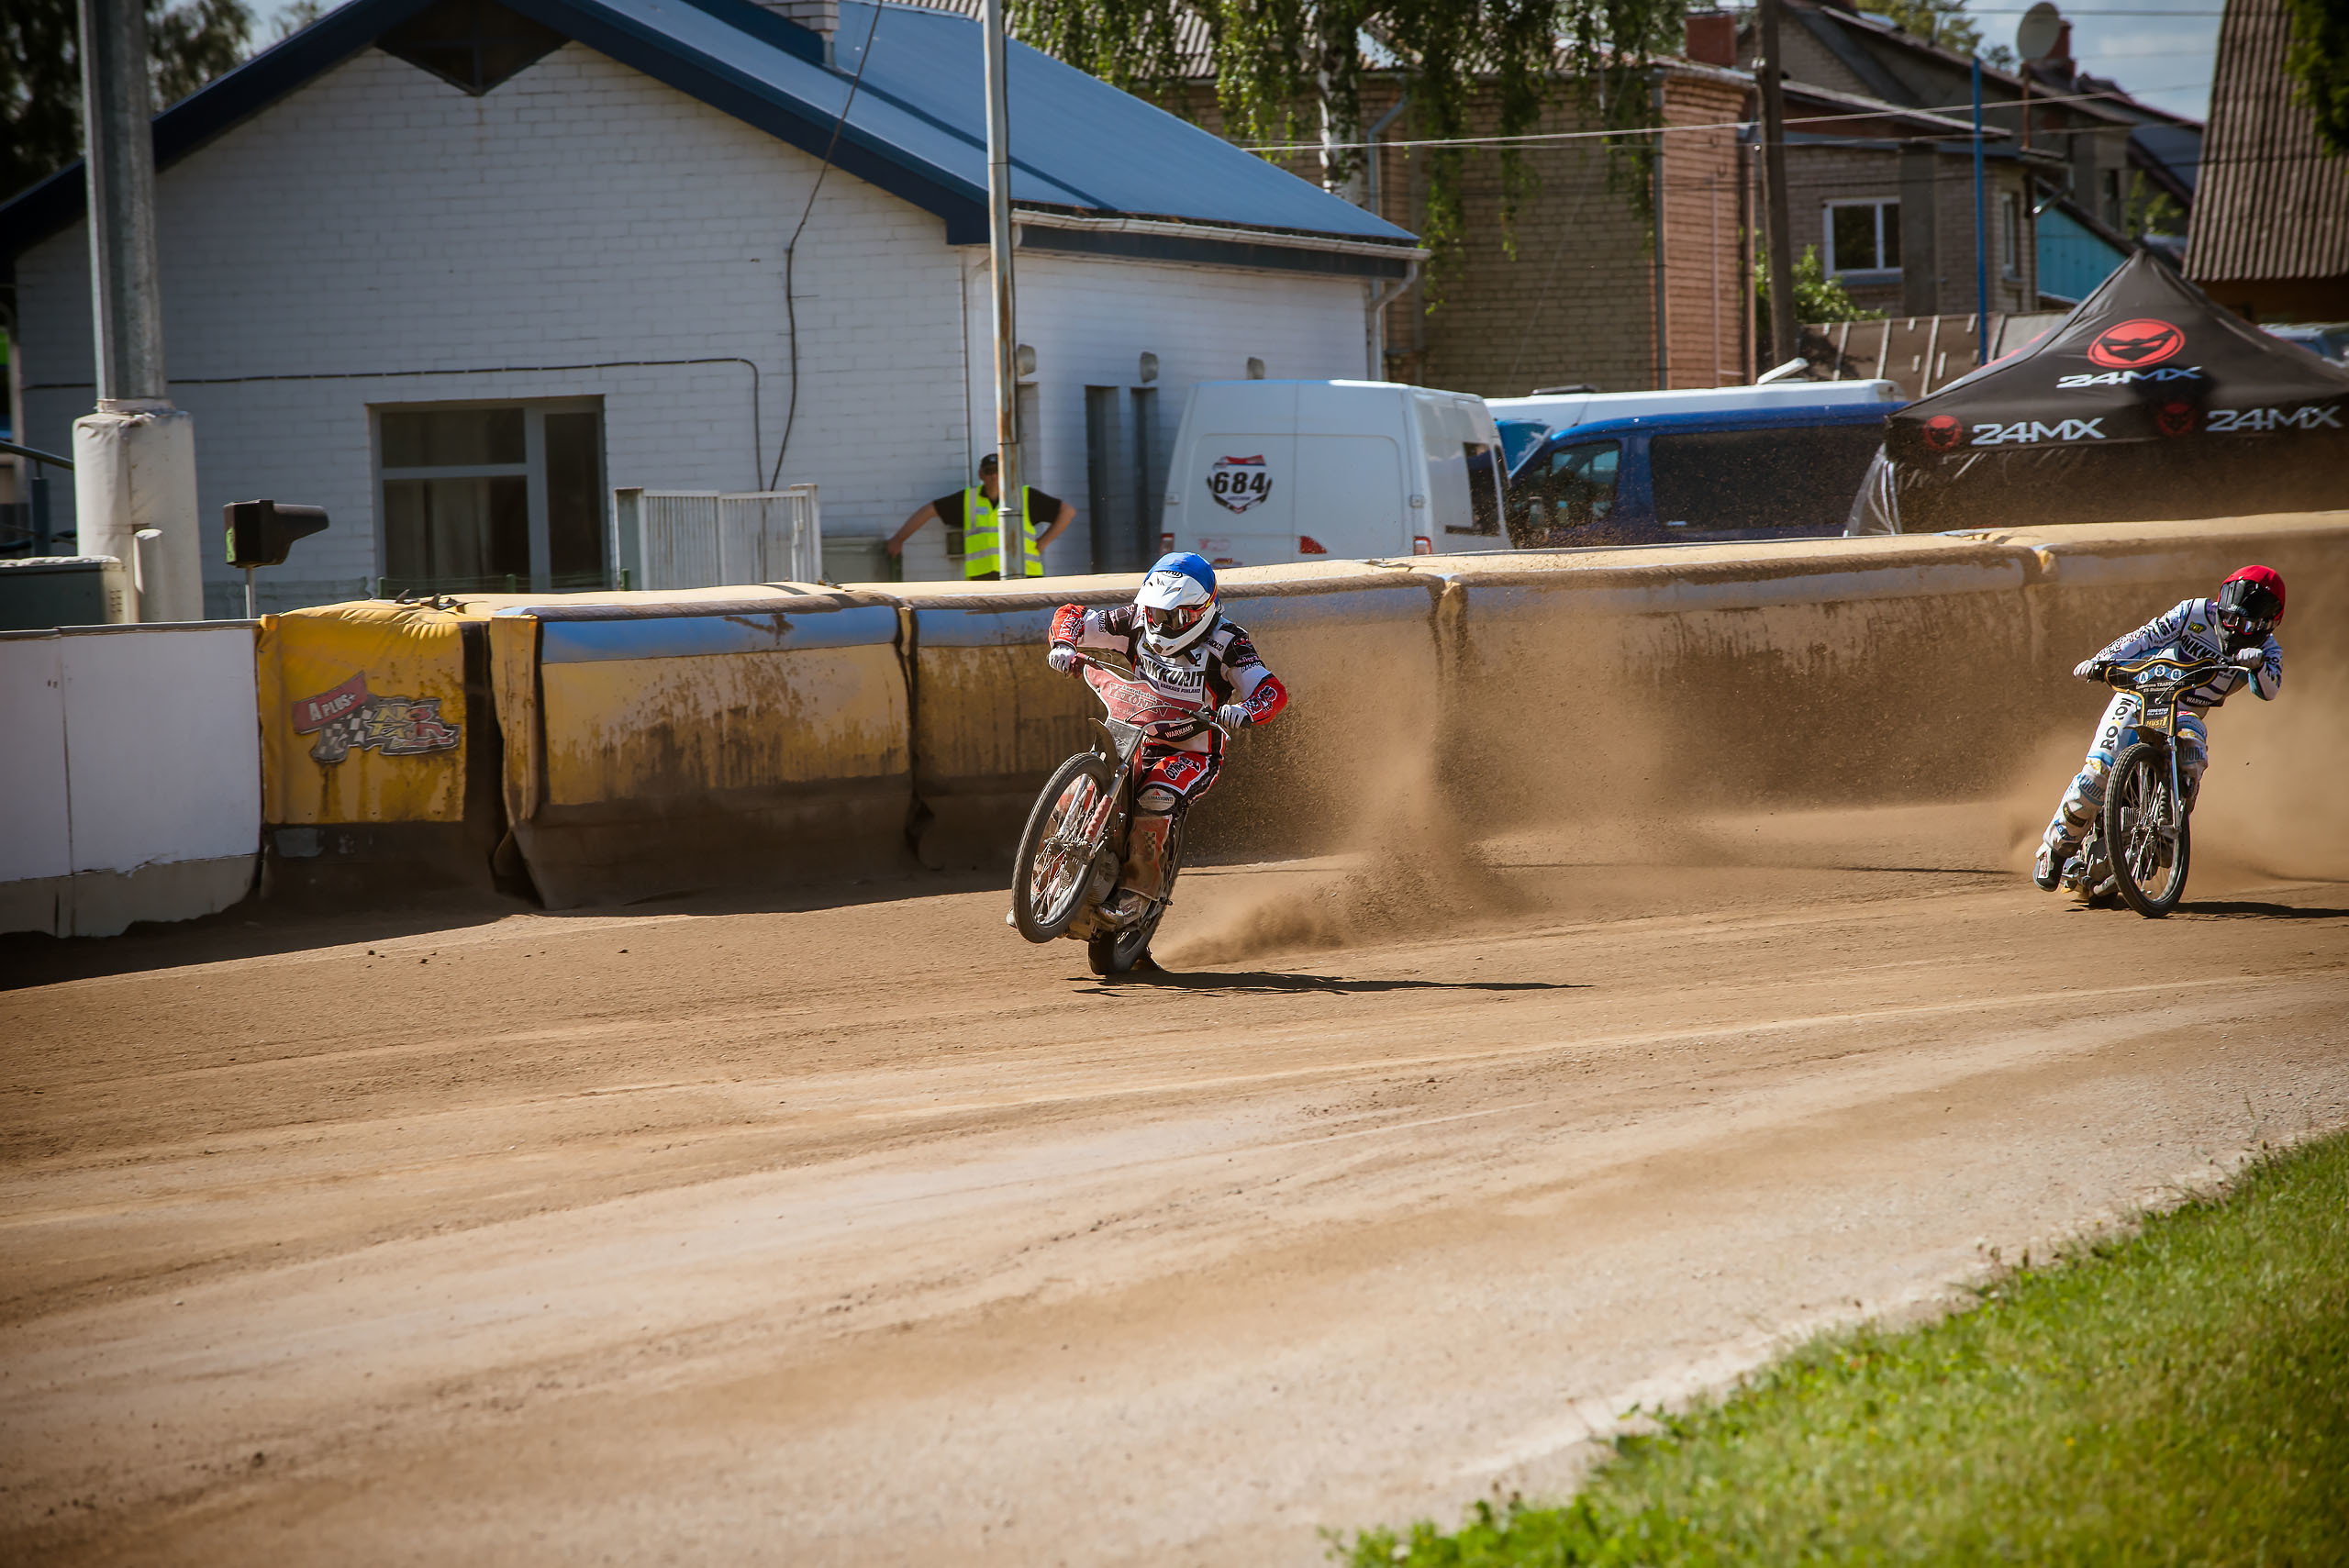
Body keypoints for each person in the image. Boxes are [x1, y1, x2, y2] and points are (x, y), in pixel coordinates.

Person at [1046, 552, 1288, 925]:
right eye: (1154, 612)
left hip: (1193, 750)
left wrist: (1246, 710)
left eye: (1170, 616)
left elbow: (1270, 689)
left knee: (1155, 799)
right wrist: (1064, 644)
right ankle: (1042, 879)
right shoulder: (1136, 619)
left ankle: (1137, 894)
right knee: (1077, 788)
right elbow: (1072, 616)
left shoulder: (1229, 642)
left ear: (1198, 611)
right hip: (1135, 734)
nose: (1158, 623)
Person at [2033, 565, 2285, 891]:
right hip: (2138, 694)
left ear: (2268, 623)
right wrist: (2101, 661)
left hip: (2186, 709)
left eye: (2245, 623)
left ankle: (2169, 826)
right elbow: (2143, 637)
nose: (2232, 626)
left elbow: (2269, 690)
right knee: (2098, 772)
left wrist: (2259, 665)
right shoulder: (2191, 611)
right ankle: (2054, 848)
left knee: (2193, 752)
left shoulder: (2268, 650)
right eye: (2229, 616)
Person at [886, 452, 1077, 579]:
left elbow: (1067, 512)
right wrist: (899, 539)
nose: (994, 476)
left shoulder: (1026, 496)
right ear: (981, 475)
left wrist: (1043, 542)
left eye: (998, 471)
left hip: (1024, 575)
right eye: (989, 472)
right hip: (984, 580)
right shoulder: (969, 500)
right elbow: (928, 511)